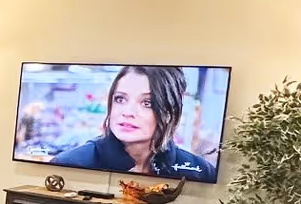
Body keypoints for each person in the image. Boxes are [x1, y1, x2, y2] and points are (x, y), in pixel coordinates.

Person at [49, 65, 217, 182]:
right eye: (120, 99)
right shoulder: (72, 163)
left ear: (170, 111)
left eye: (147, 103)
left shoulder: (200, 172)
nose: (128, 112)